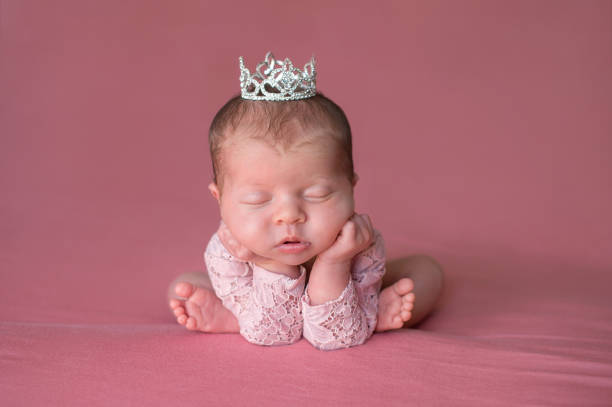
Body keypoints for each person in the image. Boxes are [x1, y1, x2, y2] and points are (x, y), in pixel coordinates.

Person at [168, 52, 444, 350]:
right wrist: (269, 262)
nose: (289, 216)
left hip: (346, 292)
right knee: (183, 287)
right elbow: (276, 334)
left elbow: (336, 336)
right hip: (255, 294)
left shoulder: (359, 244)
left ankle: (369, 312)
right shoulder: (228, 251)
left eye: (317, 195)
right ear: (219, 199)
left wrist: (334, 262)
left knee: (426, 271)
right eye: (257, 199)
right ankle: (237, 316)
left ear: (351, 188)